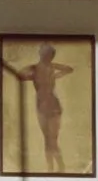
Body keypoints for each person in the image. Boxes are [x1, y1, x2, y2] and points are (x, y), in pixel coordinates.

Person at [16, 43, 73, 172]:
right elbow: (19, 75)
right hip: (41, 106)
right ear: (40, 54)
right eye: (44, 54)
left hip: (53, 106)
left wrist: (53, 68)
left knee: (52, 139)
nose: (46, 57)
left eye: (49, 55)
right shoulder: (35, 69)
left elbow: (69, 69)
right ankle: (51, 168)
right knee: (47, 139)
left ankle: (60, 166)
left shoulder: (51, 69)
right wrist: (32, 72)